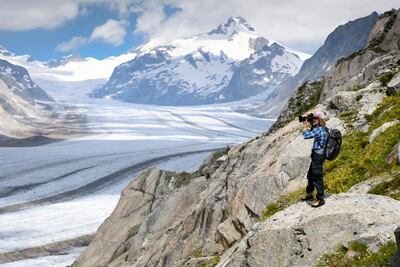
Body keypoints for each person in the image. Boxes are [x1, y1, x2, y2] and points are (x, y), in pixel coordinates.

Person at [300, 111, 328, 207]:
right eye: (313, 119)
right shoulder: (322, 128)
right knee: (310, 175)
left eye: (316, 118)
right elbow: (313, 129)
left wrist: (304, 126)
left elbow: (306, 135)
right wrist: (309, 119)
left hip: (318, 156)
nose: (314, 120)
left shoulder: (320, 130)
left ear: (320, 120)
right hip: (317, 155)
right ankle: (309, 194)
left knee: (317, 177)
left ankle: (320, 199)